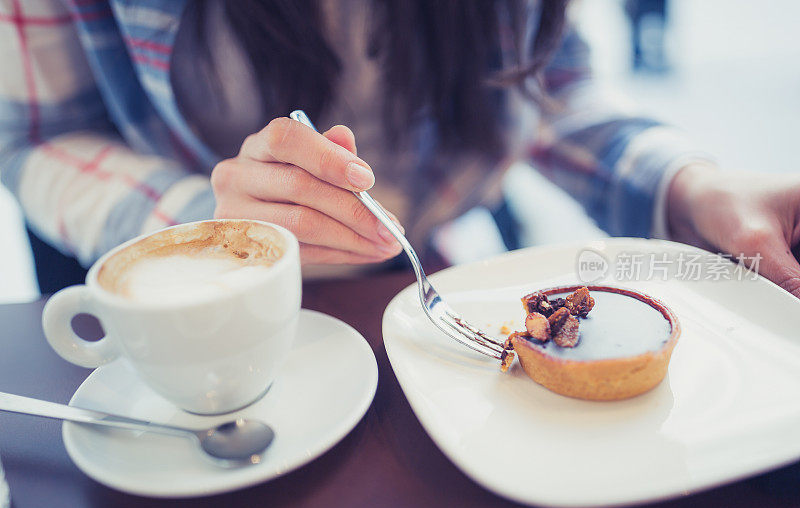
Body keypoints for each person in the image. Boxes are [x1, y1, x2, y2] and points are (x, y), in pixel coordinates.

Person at [1, 0, 798, 299]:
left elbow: (547, 83)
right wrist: (208, 231)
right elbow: (34, 135)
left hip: (417, 276)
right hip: (186, 307)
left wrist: (687, 186)